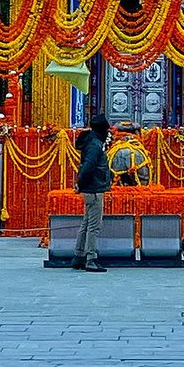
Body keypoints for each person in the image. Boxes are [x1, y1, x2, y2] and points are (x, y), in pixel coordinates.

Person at [72, 113, 112, 273]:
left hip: (90, 188)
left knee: (86, 223)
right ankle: (90, 258)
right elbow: (88, 167)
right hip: (94, 189)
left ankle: (78, 255)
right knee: (94, 226)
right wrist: (80, 184)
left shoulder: (90, 141)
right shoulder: (95, 145)